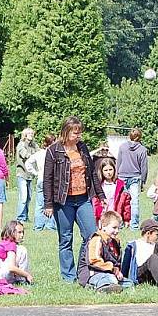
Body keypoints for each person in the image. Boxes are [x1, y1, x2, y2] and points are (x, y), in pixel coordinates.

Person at [43, 116, 106, 283]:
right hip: (63, 201)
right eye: (75, 133)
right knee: (65, 239)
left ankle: (83, 270)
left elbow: (92, 173)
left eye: (80, 133)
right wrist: (48, 204)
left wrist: (101, 195)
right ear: (66, 131)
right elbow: (47, 179)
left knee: (91, 235)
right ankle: (68, 276)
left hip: (83, 199)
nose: (78, 136)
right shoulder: (53, 150)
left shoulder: (83, 147)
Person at [77, 211, 130, 293]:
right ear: (103, 226)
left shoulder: (114, 242)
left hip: (108, 273)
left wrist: (117, 272)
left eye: (119, 228)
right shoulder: (97, 239)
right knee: (109, 279)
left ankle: (110, 286)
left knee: (129, 283)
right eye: (114, 228)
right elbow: (94, 261)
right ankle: (96, 286)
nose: (117, 231)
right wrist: (112, 269)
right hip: (93, 273)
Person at [121, 219, 158, 288]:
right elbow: (125, 266)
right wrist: (123, 279)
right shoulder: (133, 245)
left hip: (154, 273)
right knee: (152, 258)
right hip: (141, 274)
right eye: (157, 234)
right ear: (148, 233)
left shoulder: (156, 245)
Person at [116, 128, 148, 230]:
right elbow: (144, 167)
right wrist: (143, 181)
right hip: (135, 176)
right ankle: (134, 225)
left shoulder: (122, 147)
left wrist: (116, 175)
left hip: (122, 175)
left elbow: (118, 162)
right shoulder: (142, 150)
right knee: (134, 202)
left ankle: (119, 224)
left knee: (120, 201)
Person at [24, 134, 57, 231]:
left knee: (39, 204)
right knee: (51, 203)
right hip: (50, 180)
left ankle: (38, 226)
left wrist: (36, 173)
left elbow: (28, 163)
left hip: (41, 179)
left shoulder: (38, 153)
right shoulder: (53, 153)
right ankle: (50, 225)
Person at [0, 220, 33, 285]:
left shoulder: (4, 242)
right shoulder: (11, 244)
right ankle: (22, 280)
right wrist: (27, 275)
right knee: (22, 250)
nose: (22, 235)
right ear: (11, 232)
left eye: (22, 232)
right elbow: (11, 268)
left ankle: (19, 278)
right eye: (19, 232)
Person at [92, 157, 131, 227]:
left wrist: (126, 219)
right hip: (102, 217)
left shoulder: (120, 185)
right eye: (106, 170)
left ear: (114, 170)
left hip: (115, 216)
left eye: (110, 169)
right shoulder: (98, 186)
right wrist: (97, 219)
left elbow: (126, 204)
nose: (108, 172)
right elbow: (95, 203)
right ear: (101, 171)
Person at [15, 127, 38, 223]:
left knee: (28, 197)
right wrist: (35, 156)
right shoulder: (21, 145)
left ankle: (25, 216)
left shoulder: (34, 145)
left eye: (32, 133)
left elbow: (39, 152)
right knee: (23, 197)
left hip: (30, 175)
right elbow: (25, 155)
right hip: (22, 174)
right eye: (29, 133)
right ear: (25, 135)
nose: (31, 135)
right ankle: (20, 218)